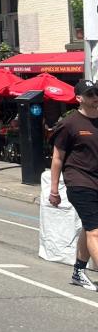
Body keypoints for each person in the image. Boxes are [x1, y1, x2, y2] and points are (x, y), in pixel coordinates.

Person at [48, 79, 98, 292]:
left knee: (89, 228)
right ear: (79, 98)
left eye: (96, 93)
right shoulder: (69, 123)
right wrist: (53, 190)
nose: (95, 98)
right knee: (96, 232)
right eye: (89, 94)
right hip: (79, 182)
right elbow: (57, 158)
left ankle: (78, 270)